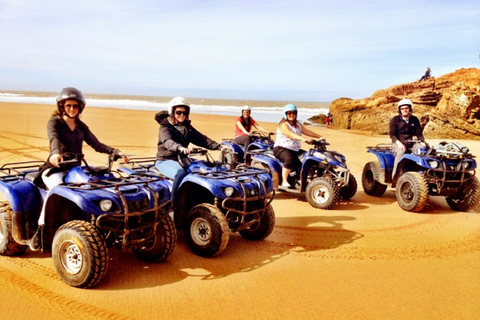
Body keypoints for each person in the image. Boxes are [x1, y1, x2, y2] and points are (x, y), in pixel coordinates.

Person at [32, 87, 128, 249]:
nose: (71, 109)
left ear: (80, 107)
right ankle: (41, 229)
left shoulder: (81, 126)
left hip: (75, 170)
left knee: (96, 185)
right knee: (57, 189)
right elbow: (54, 139)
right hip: (55, 169)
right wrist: (55, 154)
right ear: (62, 106)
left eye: (75, 106)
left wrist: (115, 152)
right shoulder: (54, 122)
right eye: (68, 105)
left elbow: (96, 144)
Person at [155, 97, 223, 204]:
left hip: (183, 159)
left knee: (208, 169)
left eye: (184, 113)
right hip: (165, 159)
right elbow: (167, 141)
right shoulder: (165, 127)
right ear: (172, 112)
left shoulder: (187, 127)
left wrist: (220, 147)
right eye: (178, 112)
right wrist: (179, 147)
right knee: (180, 173)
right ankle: (174, 203)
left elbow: (202, 139)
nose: (182, 115)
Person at [273, 104, 322, 189]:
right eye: (289, 113)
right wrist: (302, 139)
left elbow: (307, 131)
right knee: (289, 159)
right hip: (281, 148)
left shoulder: (298, 124)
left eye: (294, 113)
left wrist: (320, 137)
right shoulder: (283, 124)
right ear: (285, 114)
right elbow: (290, 134)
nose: (292, 115)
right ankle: (284, 180)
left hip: (294, 149)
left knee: (309, 157)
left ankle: (303, 177)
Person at [389, 98, 427, 179]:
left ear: (410, 108)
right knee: (401, 152)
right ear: (399, 110)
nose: (404, 110)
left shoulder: (414, 119)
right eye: (402, 109)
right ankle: (395, 176)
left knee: (424, 150)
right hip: (398, 142)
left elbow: (419, 134)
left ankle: (423, 174)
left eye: (406, 108)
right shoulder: (395, 120)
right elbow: (392, 135)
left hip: (411, 142)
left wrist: (423, 142)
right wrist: (399, 144)